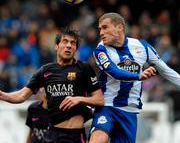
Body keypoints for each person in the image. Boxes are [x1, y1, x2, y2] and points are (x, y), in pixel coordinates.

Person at [0, 28, 104, 143]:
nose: (69, 45)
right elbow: (21, 96)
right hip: (52, 135)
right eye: (65, 41)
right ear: (56, 46)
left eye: (73, 43)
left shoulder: (84, 69)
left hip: (74, 135)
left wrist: (79, 99)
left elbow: (99, 100)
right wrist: (2, 95)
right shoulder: (45, 70)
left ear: (75, 49)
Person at [89, 12, 180, 143]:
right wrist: (138, 76)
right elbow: (114, 72)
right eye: (99, 29)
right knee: (98, 139)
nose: (101, 32)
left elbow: (165, 70)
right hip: (107, 105)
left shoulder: (142, 47)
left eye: (105, 27)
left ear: (119, 27)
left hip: (129, 110)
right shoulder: (100, 49)